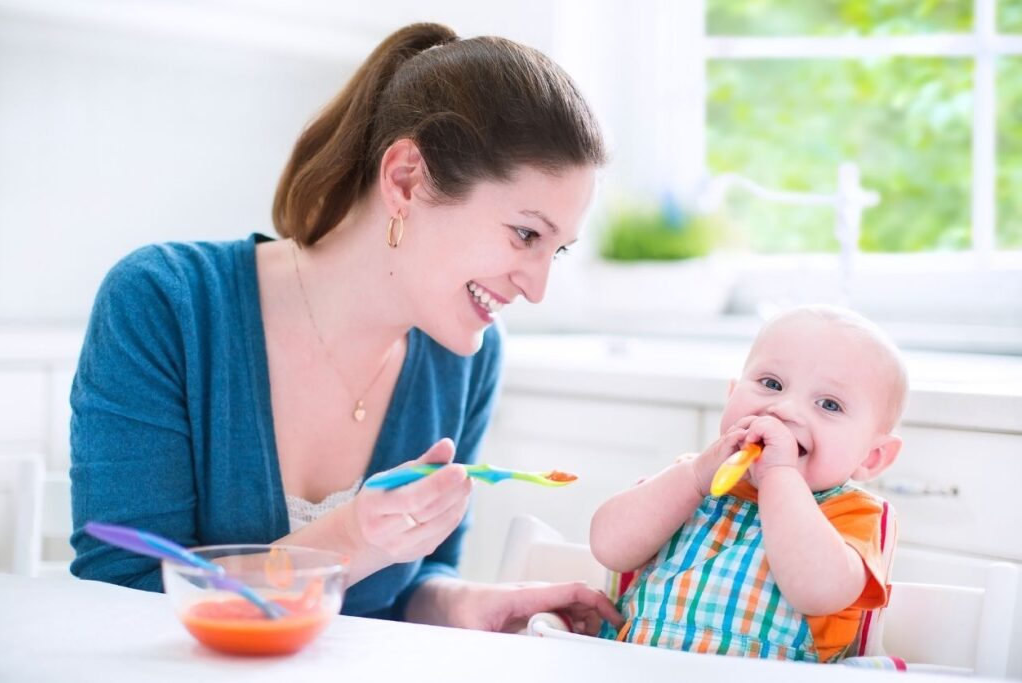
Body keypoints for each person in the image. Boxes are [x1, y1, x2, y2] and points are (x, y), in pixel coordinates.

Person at [70, 21, 621, 634]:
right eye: (525, 234)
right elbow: (119, 600)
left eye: (559, 250)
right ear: (406, 179)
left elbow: (407, 585)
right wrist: (352, 538)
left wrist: (465, 604)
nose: (537, 288)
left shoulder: (465, 357)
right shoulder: (165, 304)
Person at [590, 305, 908, 661]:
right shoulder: (691, 482)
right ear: (732, 395)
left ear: (872, 457)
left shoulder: (852, 514)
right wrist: (695, 476)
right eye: (771, 384)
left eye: (829, 405)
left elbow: (818, 592)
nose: (784, 409)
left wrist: (779, 476)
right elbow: (608, 547)